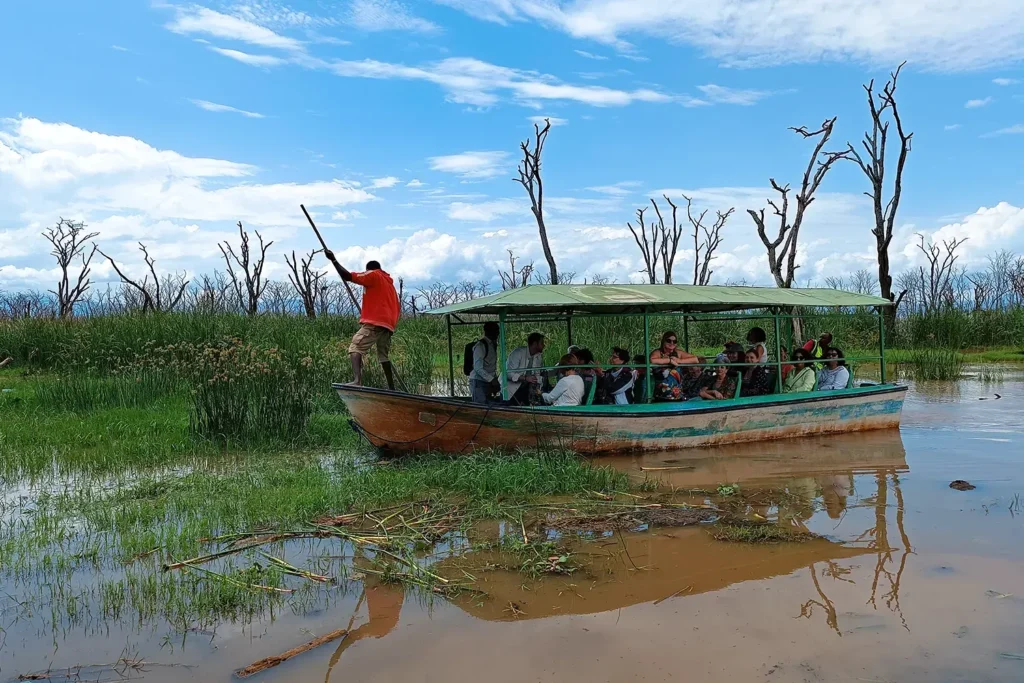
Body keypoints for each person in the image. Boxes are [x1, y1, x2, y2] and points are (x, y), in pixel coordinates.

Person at [323, 253, 399, 389]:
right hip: (389, 325)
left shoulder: (373, 275)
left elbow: (347, 276)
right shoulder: (389, 284)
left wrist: (333, 259)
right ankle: (391, 387)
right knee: (383, 355)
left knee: (355, 347)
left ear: (369, 269)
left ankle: (357, 381)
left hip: (376, 322)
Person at [505, 331, 546, 405]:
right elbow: (508, 373)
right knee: (511, 408)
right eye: (542, 343)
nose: (544, 345)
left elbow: (537, 373)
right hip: (511, 389)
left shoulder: (538, 356)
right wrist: (525, 378)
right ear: (534, 344)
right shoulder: (518, 353)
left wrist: (538, 385)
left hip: (525, 389)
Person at [469, 322, 499, 404]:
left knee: (488, 404)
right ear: (488, 331)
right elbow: (478, 368)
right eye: (496, 331)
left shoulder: (492, 344)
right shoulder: (481, 346)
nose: (497, 333)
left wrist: (494, 379)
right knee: (481, 406)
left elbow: (491, 365)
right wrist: (492, 379)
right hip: (478, 381)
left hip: (487, 381)